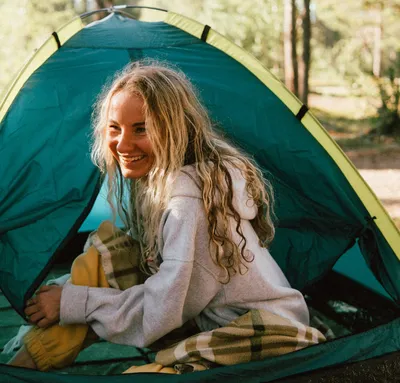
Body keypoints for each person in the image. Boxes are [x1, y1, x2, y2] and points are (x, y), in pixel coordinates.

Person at [9, 62, 316, 372]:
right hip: (209, 320)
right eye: (115, 127)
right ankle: (17, 372)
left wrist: (74, 302)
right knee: (105, 262)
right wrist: (67, 295)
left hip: (266, 337)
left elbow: (161, 312)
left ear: (173, 130)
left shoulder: (190, 203)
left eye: (141, 129)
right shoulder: (162, 180)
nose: (123, 144)